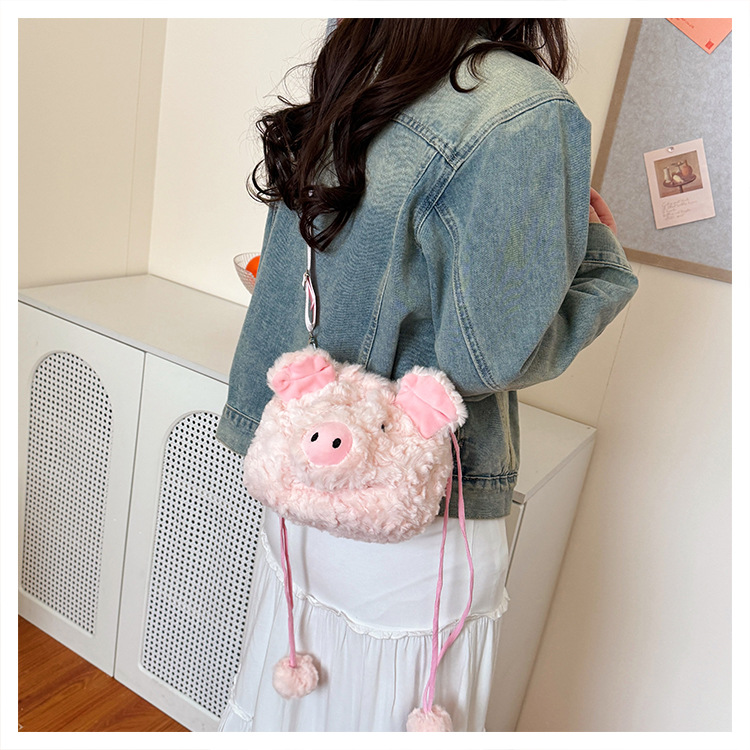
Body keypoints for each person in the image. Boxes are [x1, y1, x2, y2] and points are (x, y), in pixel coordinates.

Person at [215, 18, 638, 732]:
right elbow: (488, 356)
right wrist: (600, 262)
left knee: (294, 708)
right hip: (415, 517)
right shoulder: (525, 109)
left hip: (306, 490)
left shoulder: (359, 68)